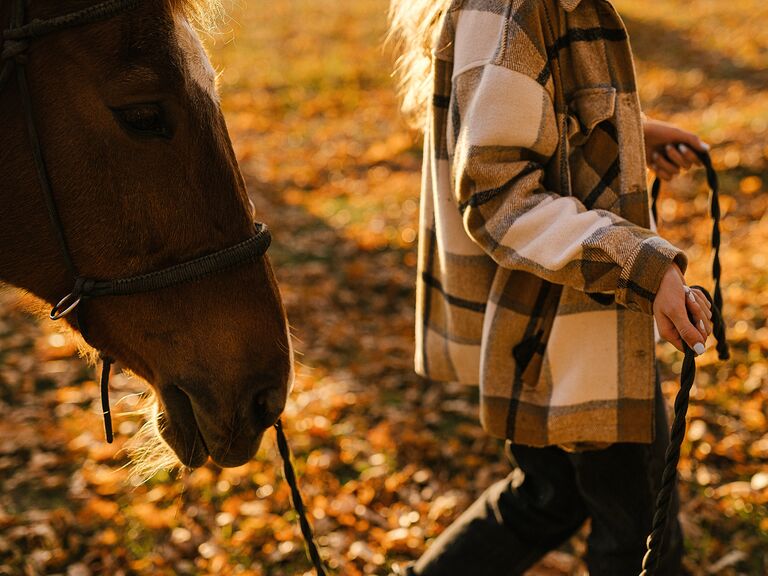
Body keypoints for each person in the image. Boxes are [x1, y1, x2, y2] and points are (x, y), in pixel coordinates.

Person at [387, 0, 713, 574]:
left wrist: (627, 134)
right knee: (640, 534)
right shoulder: (517, 6)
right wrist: (642, 263)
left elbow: (524, 120)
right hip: (569, 323)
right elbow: (497, 193)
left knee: (548, 497)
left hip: (550, 318)